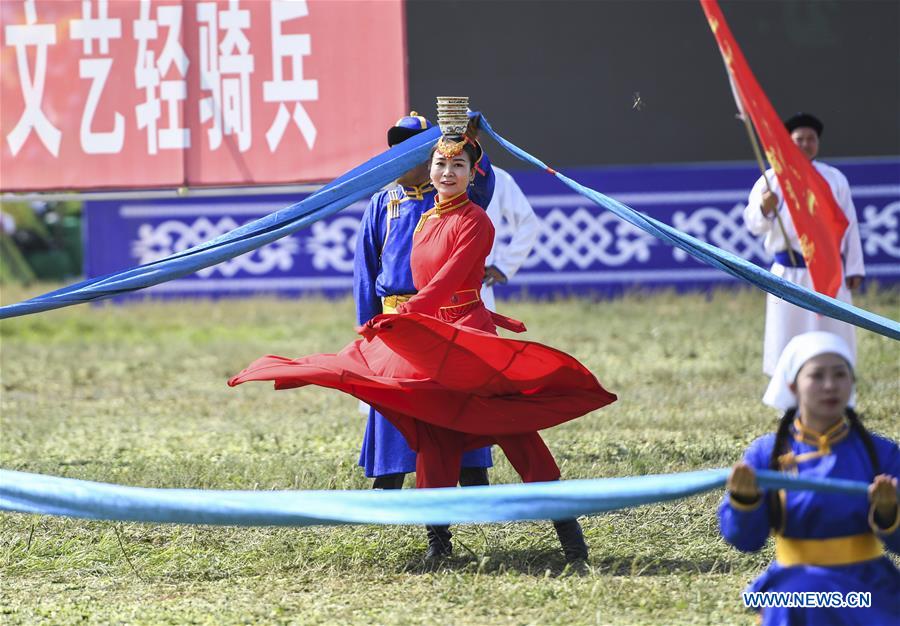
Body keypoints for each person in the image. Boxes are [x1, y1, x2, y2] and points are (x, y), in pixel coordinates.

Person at [230, 116, 616, 562]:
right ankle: (439, 546)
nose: (447, 172)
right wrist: (388, 322)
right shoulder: (419, 216)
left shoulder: (476, 221)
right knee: (434, 436)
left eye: (458, 166)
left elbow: (448, 280)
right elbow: (395, 274)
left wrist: (409, 315)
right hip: (428, 335)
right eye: (439, 163)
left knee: (517, 434)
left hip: (467, 337)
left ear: (475, 174)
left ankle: (571, 541)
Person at [354, 112, 496, 490]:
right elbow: (366, 270)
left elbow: (480, 181)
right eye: (395, 148)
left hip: (443, 321)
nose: (398, 157)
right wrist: (368, 327)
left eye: (410, 150)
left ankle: (474, 501)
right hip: (394, 324)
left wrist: (465, 136)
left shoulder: (451, 199)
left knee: (454, 413)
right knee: (393, 414)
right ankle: (384, 508)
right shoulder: (382, 203)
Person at [720, 331, 899, 625]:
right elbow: (745, 541)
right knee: (807, 591)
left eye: (840, 375)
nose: (830, 386)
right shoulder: (766, 453)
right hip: (792, 585)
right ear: (793, 385)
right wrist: (744, 501)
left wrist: (889, 512)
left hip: (868, 584)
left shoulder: (882, 453)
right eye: (817, 376)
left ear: (852, 382)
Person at [744, 112, 865, 376]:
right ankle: (788, 400)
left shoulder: (833, 179)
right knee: (787, 336)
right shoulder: (772, 179)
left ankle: (839, 395)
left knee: (833, 333)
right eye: (799, 139)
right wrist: (765, 208)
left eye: (811, 139)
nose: (806, 144)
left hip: (828, 271)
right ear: (788, 142)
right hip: (788, 272)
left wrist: (854, 267)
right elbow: (754, 225)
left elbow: (849, 225)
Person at [480, 166, 539, 311]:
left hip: (477, 288)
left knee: (478, 333)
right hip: (432, 287)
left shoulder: (497, 178)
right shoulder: (430, 175)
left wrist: (505, 266)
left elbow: (528, 223)